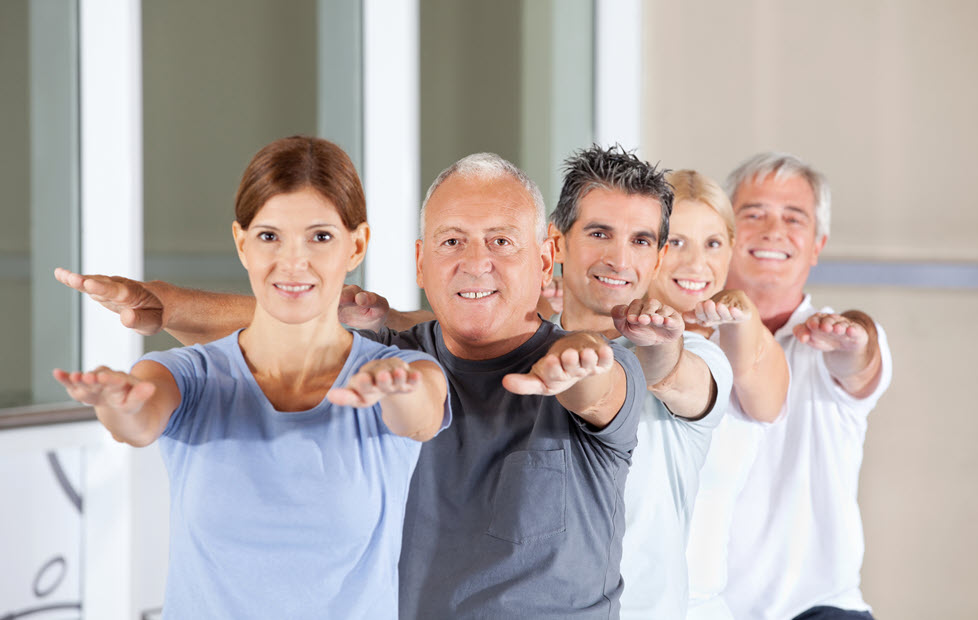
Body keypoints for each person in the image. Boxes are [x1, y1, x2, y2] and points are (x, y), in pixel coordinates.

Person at [56, 152, 648, 619]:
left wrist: (579, 362)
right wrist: (158, 306)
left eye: (501, 241)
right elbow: (288, 311)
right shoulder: (392, 361)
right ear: (420, 262)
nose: (475, 261)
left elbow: (596, 389)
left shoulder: (598, 365)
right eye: (451, 241)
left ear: (547, 258)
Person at [53, 136, 451, 618]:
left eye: (320, 237)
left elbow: (421, 415)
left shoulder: (405, 372)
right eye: (269, 236)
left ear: (357, 244)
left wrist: (396, 389)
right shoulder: (189, 374)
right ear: (242, 243)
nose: (293, 262)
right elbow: (138, 419)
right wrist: (117, 402)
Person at [540, 151, 734, 619]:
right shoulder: (519, 353)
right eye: (600, 233)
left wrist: (659, 347)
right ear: (557, 243)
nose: (620, 258)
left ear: (659, 257)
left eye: (641, 240)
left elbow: (671, 374)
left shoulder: (701, 356)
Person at [721, 152, 892, 620]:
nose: (773, 230)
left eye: (793, 218)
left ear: (817, 245)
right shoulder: (687, 338)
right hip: (702, 607)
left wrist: (852, 336)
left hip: (820, 609)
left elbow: (859, 357)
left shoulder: (833, 337)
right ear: (724, 235)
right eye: (753, 214)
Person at [639, 170, 788, 620]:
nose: (696, 264)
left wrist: (741, 317)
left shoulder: (747, 340)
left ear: (732, 247)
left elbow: (763, 398)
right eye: (676, 242)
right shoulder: (611, 333)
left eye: (713, 243)